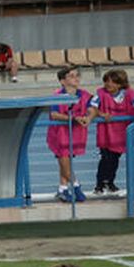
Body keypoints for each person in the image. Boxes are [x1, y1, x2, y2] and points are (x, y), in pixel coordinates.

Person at [91, 69, 134, 196]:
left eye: (112, 82)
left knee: (115, 159)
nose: (108, 84)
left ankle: (110, 181)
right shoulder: (100, 94)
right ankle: (100, 183)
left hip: (121, 132)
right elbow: (92, 107)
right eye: (107, 81)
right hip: (107, 132)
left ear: (120, 84)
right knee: (106, 158)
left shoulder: (129, 93)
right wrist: (102, 114)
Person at [47, 67, 93, 204]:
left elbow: (92, 108)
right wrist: (73, 119)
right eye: (71, 76)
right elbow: (54, 115)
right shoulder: (56, 96)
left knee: (65, 163)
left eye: (77, 75)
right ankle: (77, 186)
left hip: (76, 134)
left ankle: (62, 189)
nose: (76, 78)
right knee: (65, 162)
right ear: (62, 81)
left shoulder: (85, 95)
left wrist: (89, 117)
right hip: (59, 134)